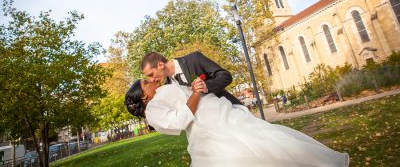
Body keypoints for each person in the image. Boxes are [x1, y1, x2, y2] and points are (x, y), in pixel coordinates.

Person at [125, 79, 349, 167]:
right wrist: (194, 94)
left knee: (262, 138)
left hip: (218, 112)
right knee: (236, 153)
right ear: (143, 97)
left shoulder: (163, 90)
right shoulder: (153, 110)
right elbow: (180, 119)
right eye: (146, 83)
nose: (151, 80)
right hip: (207, 126)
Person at [140, 51, 242, 105]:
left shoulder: (194, 59)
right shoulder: (168, 86)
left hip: (230, 111)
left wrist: (206, 86)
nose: (151, 79)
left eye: (151, 74)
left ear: (160, 65)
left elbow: (225, 76)